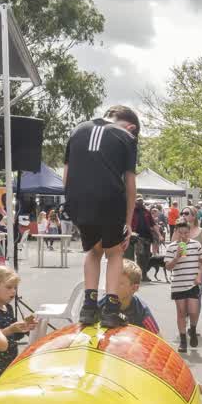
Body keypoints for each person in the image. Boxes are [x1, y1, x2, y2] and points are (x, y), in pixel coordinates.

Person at [63, 105, 140, 328]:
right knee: (114, 252)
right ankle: (111, 310)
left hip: (78, 200)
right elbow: (130, 184)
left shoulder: (77, 130)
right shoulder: (126, 136)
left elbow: (66, 175)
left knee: (93, 251)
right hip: (110, 199)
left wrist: (71, 204)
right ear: (132, 127)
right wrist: (127, 222)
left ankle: (88, 308)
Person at [0, 265, 34, 374]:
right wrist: (10, 329)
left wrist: (25, 327)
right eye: (9, 287)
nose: (14, 291)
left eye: (15, 287)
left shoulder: (8, 307)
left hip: (8, 361)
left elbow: (14, 336)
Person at [166, 221, 202, 352]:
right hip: (178, 283)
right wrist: (177, 257)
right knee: (181, 312)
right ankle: (183, 340)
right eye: (180, 232)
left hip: (193, 282)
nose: (183, 235)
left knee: (193, 311)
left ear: (189, 232)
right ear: (176, 232)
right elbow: (168, 267)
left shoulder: (196, 244)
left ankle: (192, 329)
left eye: (186, 232)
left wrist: (199, 275)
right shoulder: (172, 247)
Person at [118, 259, 160, 333]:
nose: (112, 286)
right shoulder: (102, 306)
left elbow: (157, 338)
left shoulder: (142, 311)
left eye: (120, 283)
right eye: (111, 280)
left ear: (134, 288)